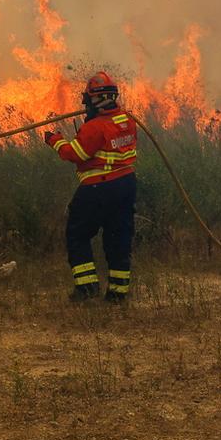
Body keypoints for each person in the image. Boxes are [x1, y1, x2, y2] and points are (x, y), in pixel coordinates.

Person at [43, 71, 138, 303]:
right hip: (126, 185)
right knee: (118, 238)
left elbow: (76, 154)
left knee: (78, 234)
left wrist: (54, 141)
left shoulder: (95, 127)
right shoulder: (127, 120)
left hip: (99, 188)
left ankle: (86, 289)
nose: (85, 104)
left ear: (96, 99)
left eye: (87, 99)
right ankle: (118, 294)